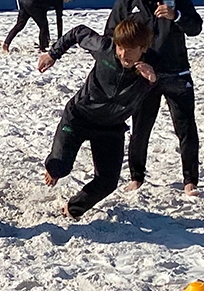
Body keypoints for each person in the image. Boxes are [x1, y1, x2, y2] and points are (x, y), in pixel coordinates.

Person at [104, 0, 203, 196]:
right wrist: (130, 64)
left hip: (176, 73)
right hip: (142, 75)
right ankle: (136, 177)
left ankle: (190, 181)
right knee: (140, 128)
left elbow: (195, 27)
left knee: (185, 127)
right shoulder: (126, 1)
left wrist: (176, 16)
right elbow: (110, 38)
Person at [38, 18, 157, 219]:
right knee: (60, 167)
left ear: (143, 48)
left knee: (108, 182)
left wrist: (154, 80)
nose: (123, 54)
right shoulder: (104, 47)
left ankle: (72, 209)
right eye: (120, 47)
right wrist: (53, 54)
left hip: (111, 127)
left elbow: (175, 83)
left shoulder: (153, 66)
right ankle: (55, 168)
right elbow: (78, 32)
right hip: (79, 116)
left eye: (130, 49)